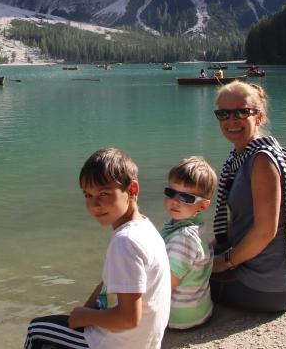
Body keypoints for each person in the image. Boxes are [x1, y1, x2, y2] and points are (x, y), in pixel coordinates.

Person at [23, 148, 170, 349]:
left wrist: (86, 316)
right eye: (88, 195)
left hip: (117, 343)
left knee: (37, 330)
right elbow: (109, 282)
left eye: (104, 193)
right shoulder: (144, 227)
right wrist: (86, 310)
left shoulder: (125, 241)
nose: (94, 204)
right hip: (144, 342)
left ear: (132, 190)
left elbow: (128, 319)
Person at [209, 81, 286, 312]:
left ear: (259, 117)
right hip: (277, 277)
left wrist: (223, 263)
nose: (231, 120)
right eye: (223, 114)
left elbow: (265, 232)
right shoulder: (244, 156)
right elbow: (242, 220)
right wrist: (207, 250)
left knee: (177, 279)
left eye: (242, 112)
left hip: (265, 287)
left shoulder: (261, 160)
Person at [161, 156, 217, 330]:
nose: (175, 201)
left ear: (202, 206)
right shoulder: (196, 228)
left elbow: (164, 287)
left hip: (179, 317)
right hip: (198, 310)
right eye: (171, 193)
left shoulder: (183, 239)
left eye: (186, 197)